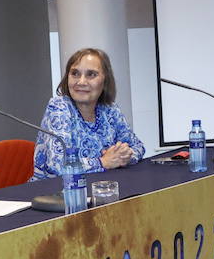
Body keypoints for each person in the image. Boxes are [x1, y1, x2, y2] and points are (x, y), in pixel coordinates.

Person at [32, 47, 144, 180]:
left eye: (91, 74)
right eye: (75, 73)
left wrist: (123, 156)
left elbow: (138, 146)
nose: (81, 82)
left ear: (105, 80)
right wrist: (104, 162)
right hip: (53, 194)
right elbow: (58, 165)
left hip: (98, 187)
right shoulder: (59, 107)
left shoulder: (109, 109)